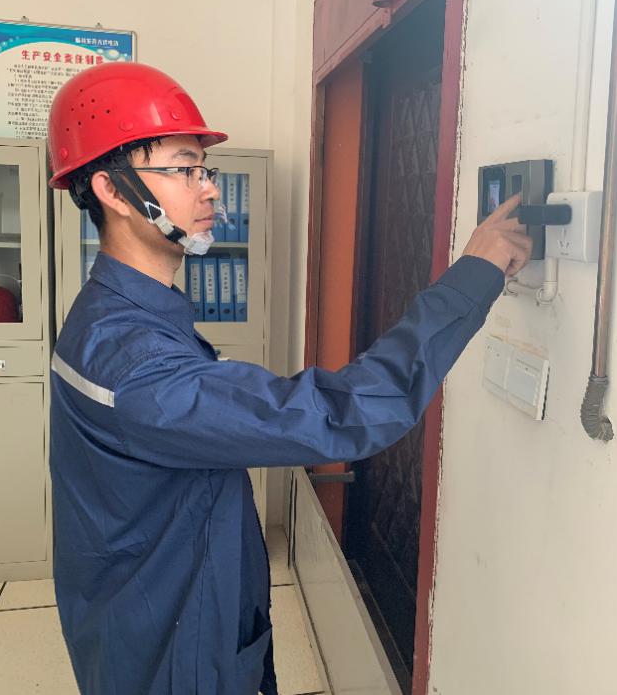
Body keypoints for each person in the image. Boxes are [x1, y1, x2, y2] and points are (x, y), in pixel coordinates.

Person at [47, 62, 531, 695]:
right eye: (184, 168)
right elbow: (344, 413)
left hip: (151, 620)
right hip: (173, 655)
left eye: (205, 169)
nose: (209, 189)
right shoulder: (136, 360)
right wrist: (473, 276)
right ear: (112, 190)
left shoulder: (117, 316)